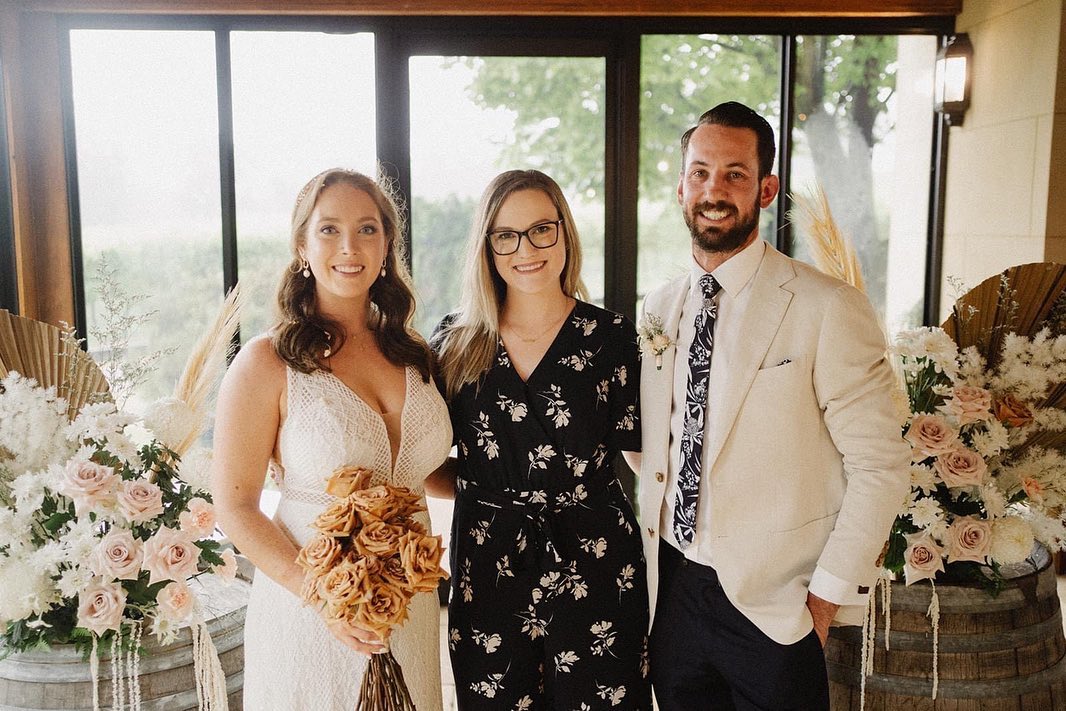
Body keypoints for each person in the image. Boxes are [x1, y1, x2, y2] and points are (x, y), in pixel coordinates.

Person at [636, 102, 911, 710]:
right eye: (701, 172)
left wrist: (823, 599)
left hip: (776, 607)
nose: (714, 190)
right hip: (673, 589)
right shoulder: (657, 306)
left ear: (766, 188)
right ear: (681, 184)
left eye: (734, 174)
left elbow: (881, 466)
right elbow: (658, 445)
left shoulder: (826, 307)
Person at [212, 168, 452, 710]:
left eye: (368, 229)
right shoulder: (266, 363)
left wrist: (530, 478)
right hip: (308, 608)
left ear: (388, 244)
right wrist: (322, 599)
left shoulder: (417, 354)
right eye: (328, 230)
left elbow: (422, 470)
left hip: (408, 609)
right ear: (301, 245)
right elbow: (234, 504)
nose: (350, 246)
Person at [431, 169, 652, 710]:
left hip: (598, 558)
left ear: (564, 233)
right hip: (489, 561)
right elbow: (423, 462)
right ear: (487, 245)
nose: (524, 249)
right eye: (505, 235)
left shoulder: (612, 337)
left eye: (540, 230)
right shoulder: (455, 343)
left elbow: (647, 457)